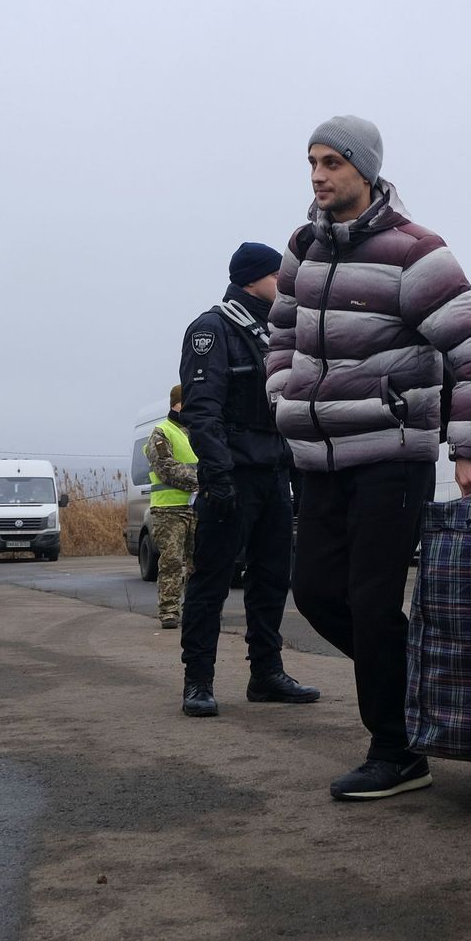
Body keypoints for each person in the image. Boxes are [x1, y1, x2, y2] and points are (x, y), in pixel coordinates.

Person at [267, 117, 471, 800]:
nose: (318, 175)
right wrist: (280, 392)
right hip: (317, 458)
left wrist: (466, 448)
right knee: (313, 592)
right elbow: (280, 332)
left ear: (365, 169)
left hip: (390, 456)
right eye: (312, 161)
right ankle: (416, 693)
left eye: (333, 162)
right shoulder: (302, 248)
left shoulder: (413, 251)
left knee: (373, 605)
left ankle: (395, 747)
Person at [175, 244, 320, 716]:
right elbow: (202, 411)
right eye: (278, 274)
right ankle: (198, 681)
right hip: (231, 477)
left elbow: (292, 407)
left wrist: (299, 478)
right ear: (253, 278)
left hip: (275, 473)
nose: (285, 281)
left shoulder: (279, 330)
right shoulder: (213, 329)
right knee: (212, 582)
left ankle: (266, 673)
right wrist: (218, 478)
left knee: (273, 579)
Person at [144, 384, 199, 630]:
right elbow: (166, 469)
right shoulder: (161, 433)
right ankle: (169, 612)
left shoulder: (196, 432)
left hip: (197, 508)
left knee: (199, 562)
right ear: (177, 404)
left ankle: (197, 610)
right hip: (169, 511)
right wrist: (205, 479)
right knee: (172, 561)